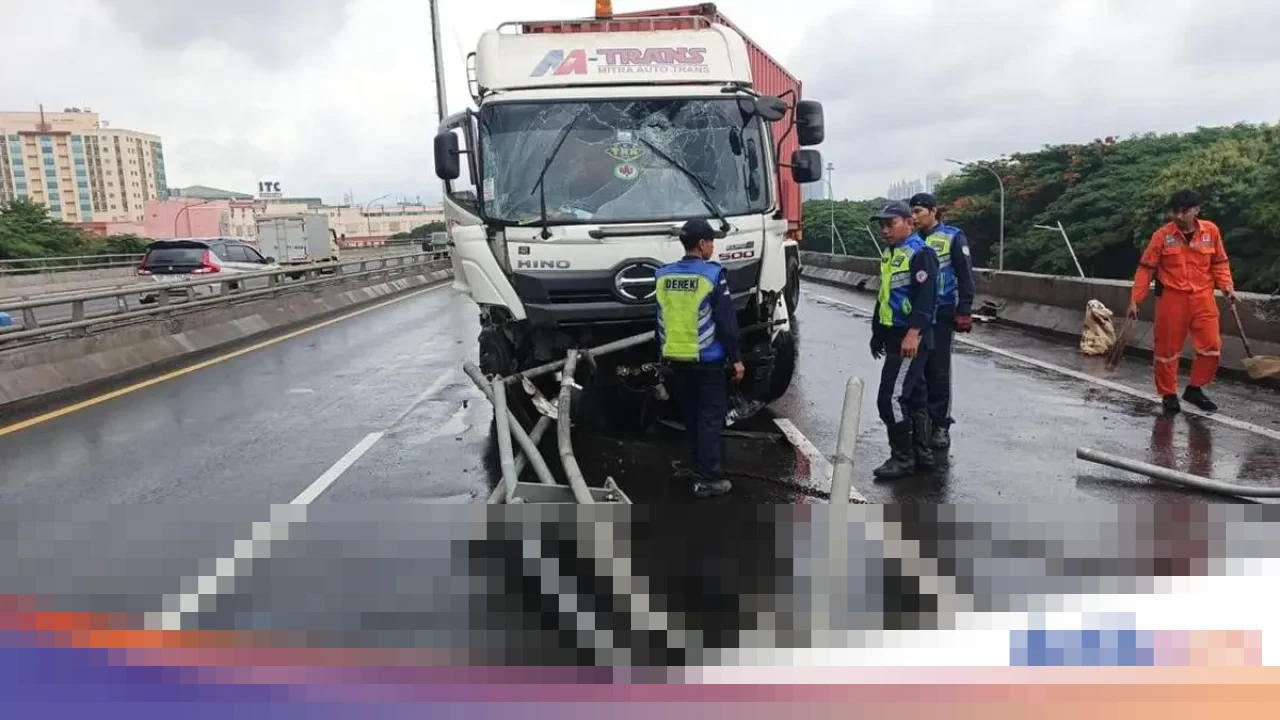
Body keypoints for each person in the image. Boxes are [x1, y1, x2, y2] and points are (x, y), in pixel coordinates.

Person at [655, 218, 746, 498]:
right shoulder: (712, 275)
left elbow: (658, 319)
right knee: (709, 419)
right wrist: (737, 359)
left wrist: (661, 357)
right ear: (702, 243)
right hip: (707, 360)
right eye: (711, 242)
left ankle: (698, 466)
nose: (713, 248)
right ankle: (709, 477)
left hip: (675, 358)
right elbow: (727, 323)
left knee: (692, 418)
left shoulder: (663, 275)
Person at [1127, 190, 1236, 414]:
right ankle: (1168, 394)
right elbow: (1146, 269)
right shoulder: (1162, 236)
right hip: (1172, 298)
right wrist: (1135, 300)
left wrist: (1227, 286)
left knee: (1211, 346)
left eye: (1183, 211)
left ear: (1196, 210)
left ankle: (1195, 388)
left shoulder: (1211, 231)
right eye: (1174, 211)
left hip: (1203, 297)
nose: (1178, 215)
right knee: (1166, 349)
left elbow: (1220, 263)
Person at [869, 200, 940, 479]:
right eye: (882, 225)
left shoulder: (920, 253)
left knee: (891, 398)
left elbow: (927, 298)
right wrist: (877, 333)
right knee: (915, 396)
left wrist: (913, 334)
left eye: (891, 224)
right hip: (893, 334)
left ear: (909, 222)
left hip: (911, 338)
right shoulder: (890, 253)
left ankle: (902, 457)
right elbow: (885, 297)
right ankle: (922, 452)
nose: (885, 230)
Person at [909, 192, 976, 452]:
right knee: (915, 371)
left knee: (938, 370)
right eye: (912, 212)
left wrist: (964, 309)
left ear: (933, 211)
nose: (914, 217)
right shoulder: (910, 241)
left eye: (919, 211)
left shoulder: (952, 237)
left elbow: (965, 274)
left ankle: (940, 425)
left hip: (942, 312)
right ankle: (919, 421)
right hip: (914, 315)